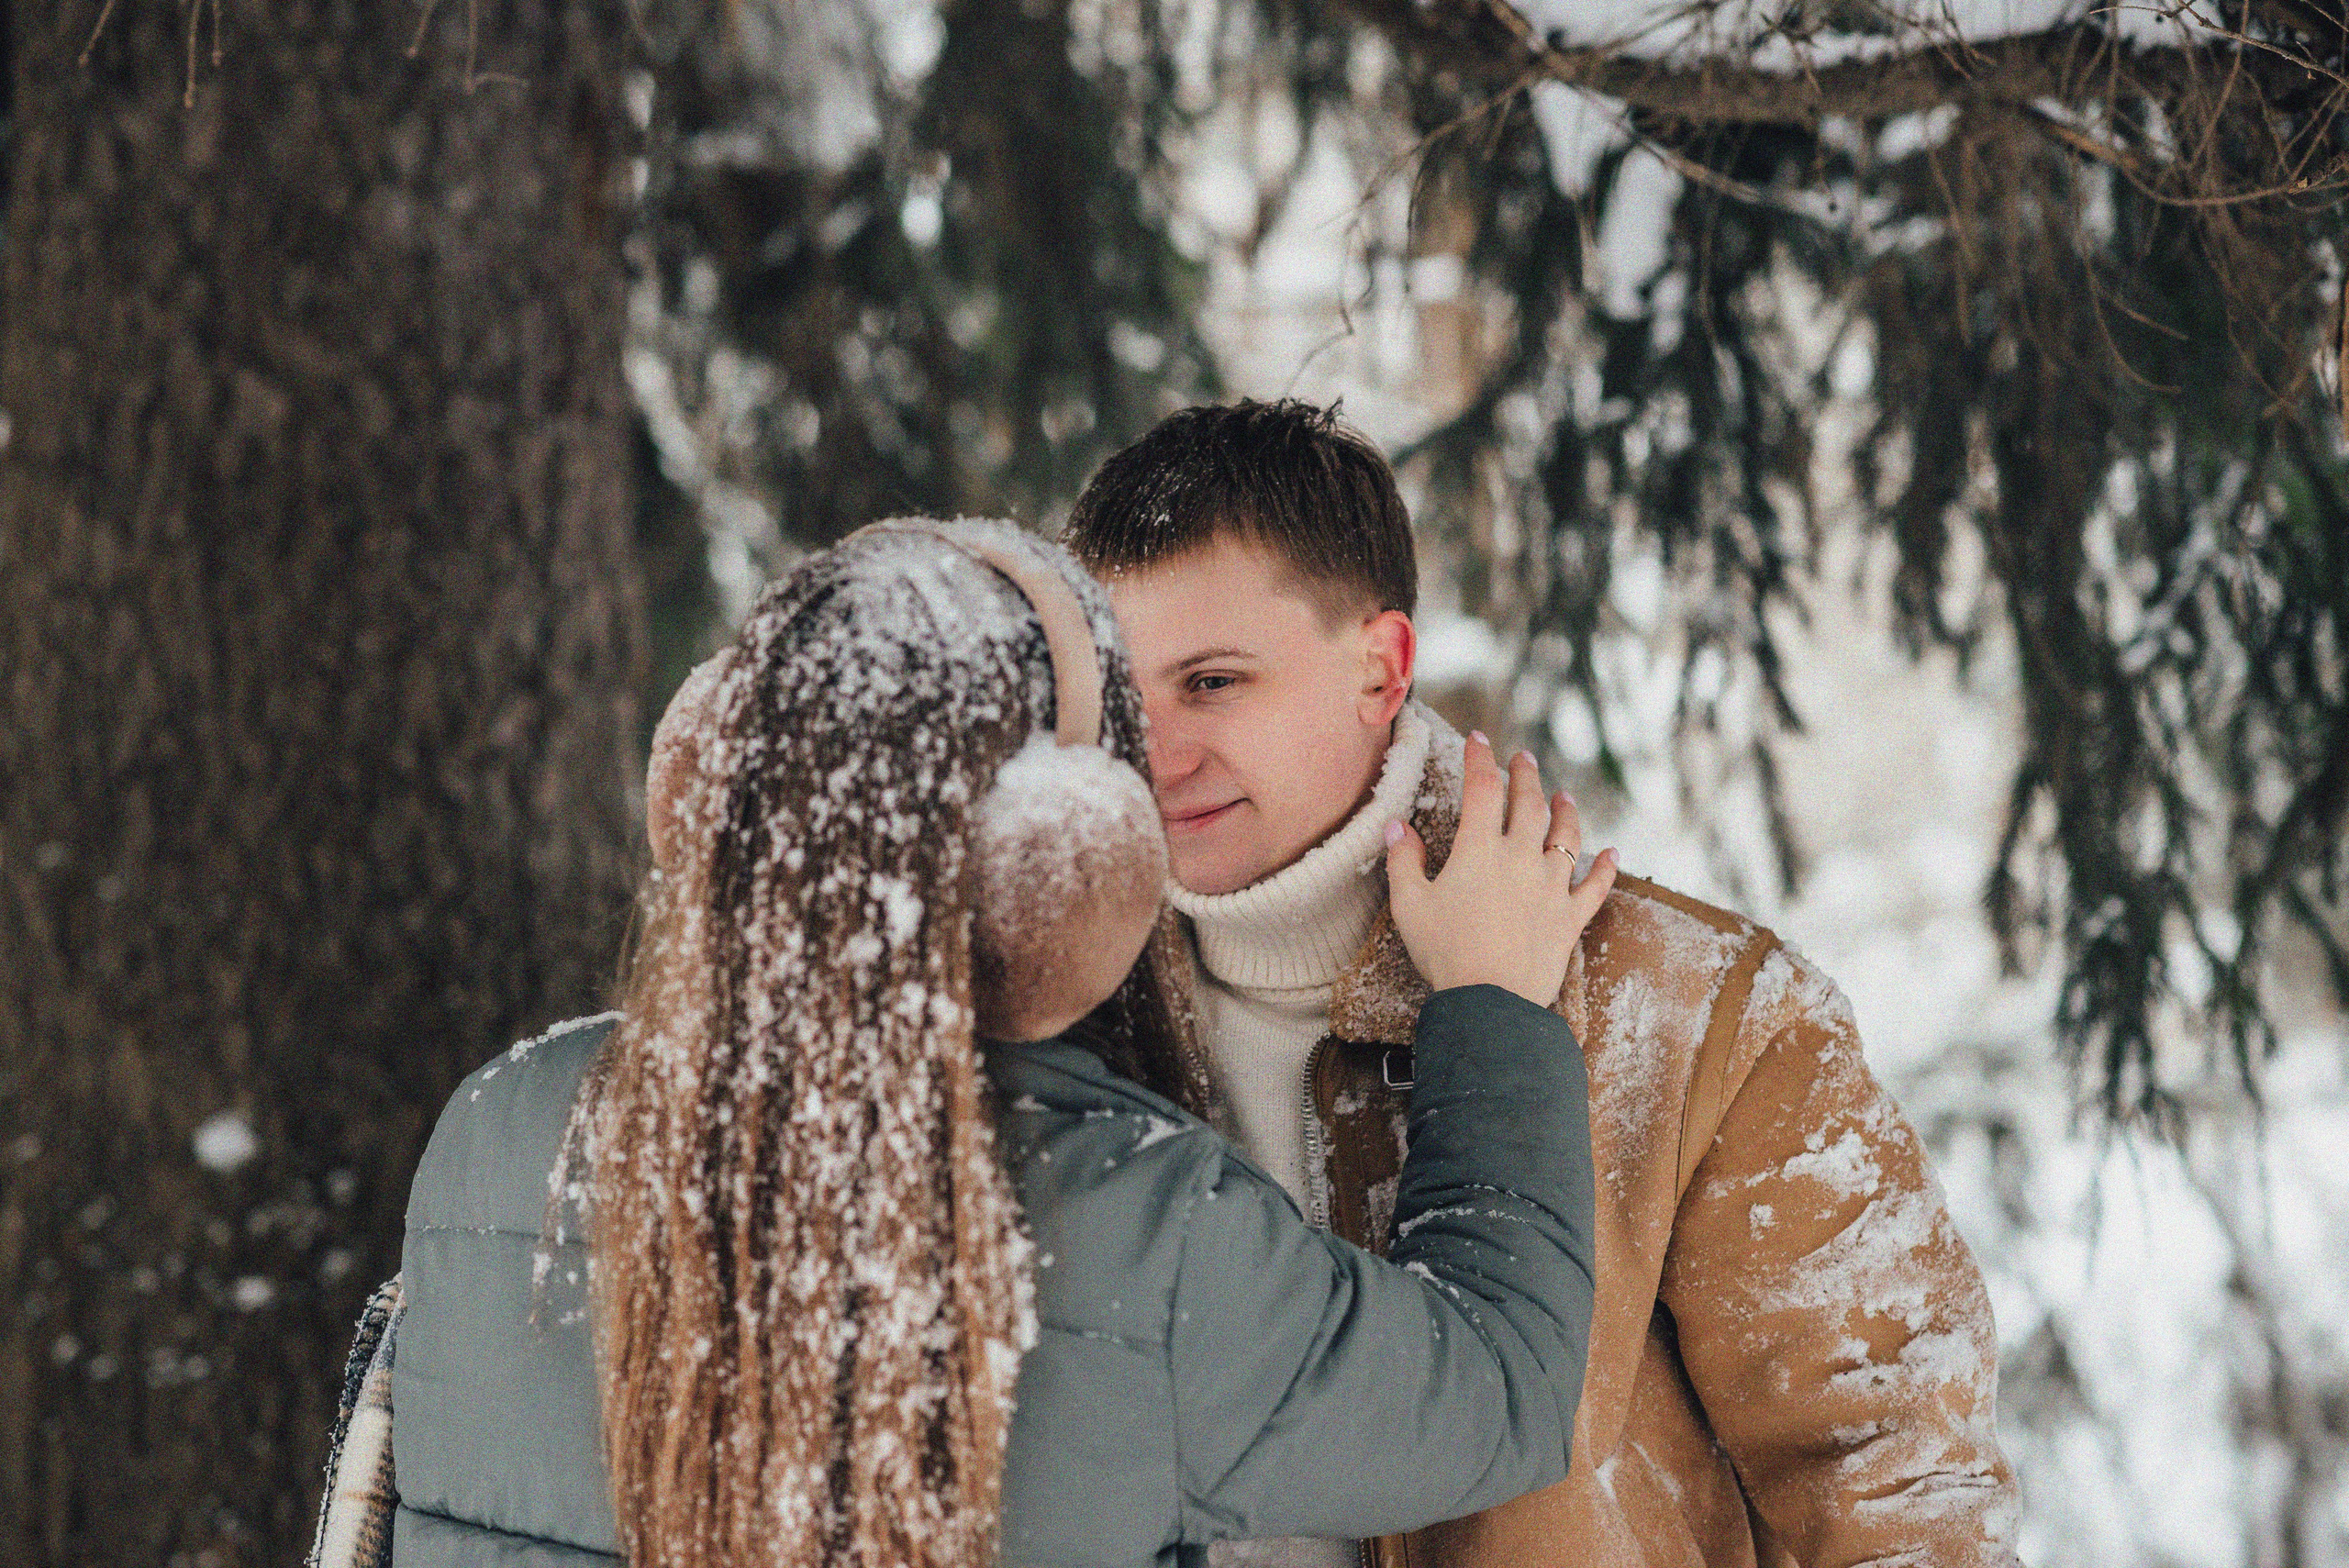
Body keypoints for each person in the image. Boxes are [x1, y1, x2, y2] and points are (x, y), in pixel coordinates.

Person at [312, 518, 1620, 1568]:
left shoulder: (504, 1124)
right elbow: (1498, 1391)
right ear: (1061, 870)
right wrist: (1494, 1008)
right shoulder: (1139, 1224)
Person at [1062, 400, 2023, 1568]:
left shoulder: (1692, 1013)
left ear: (1380, 667)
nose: (1155, 754)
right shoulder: (1069, 1027)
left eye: (1211, 682)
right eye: (1123, 696)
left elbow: (1894, 1483)